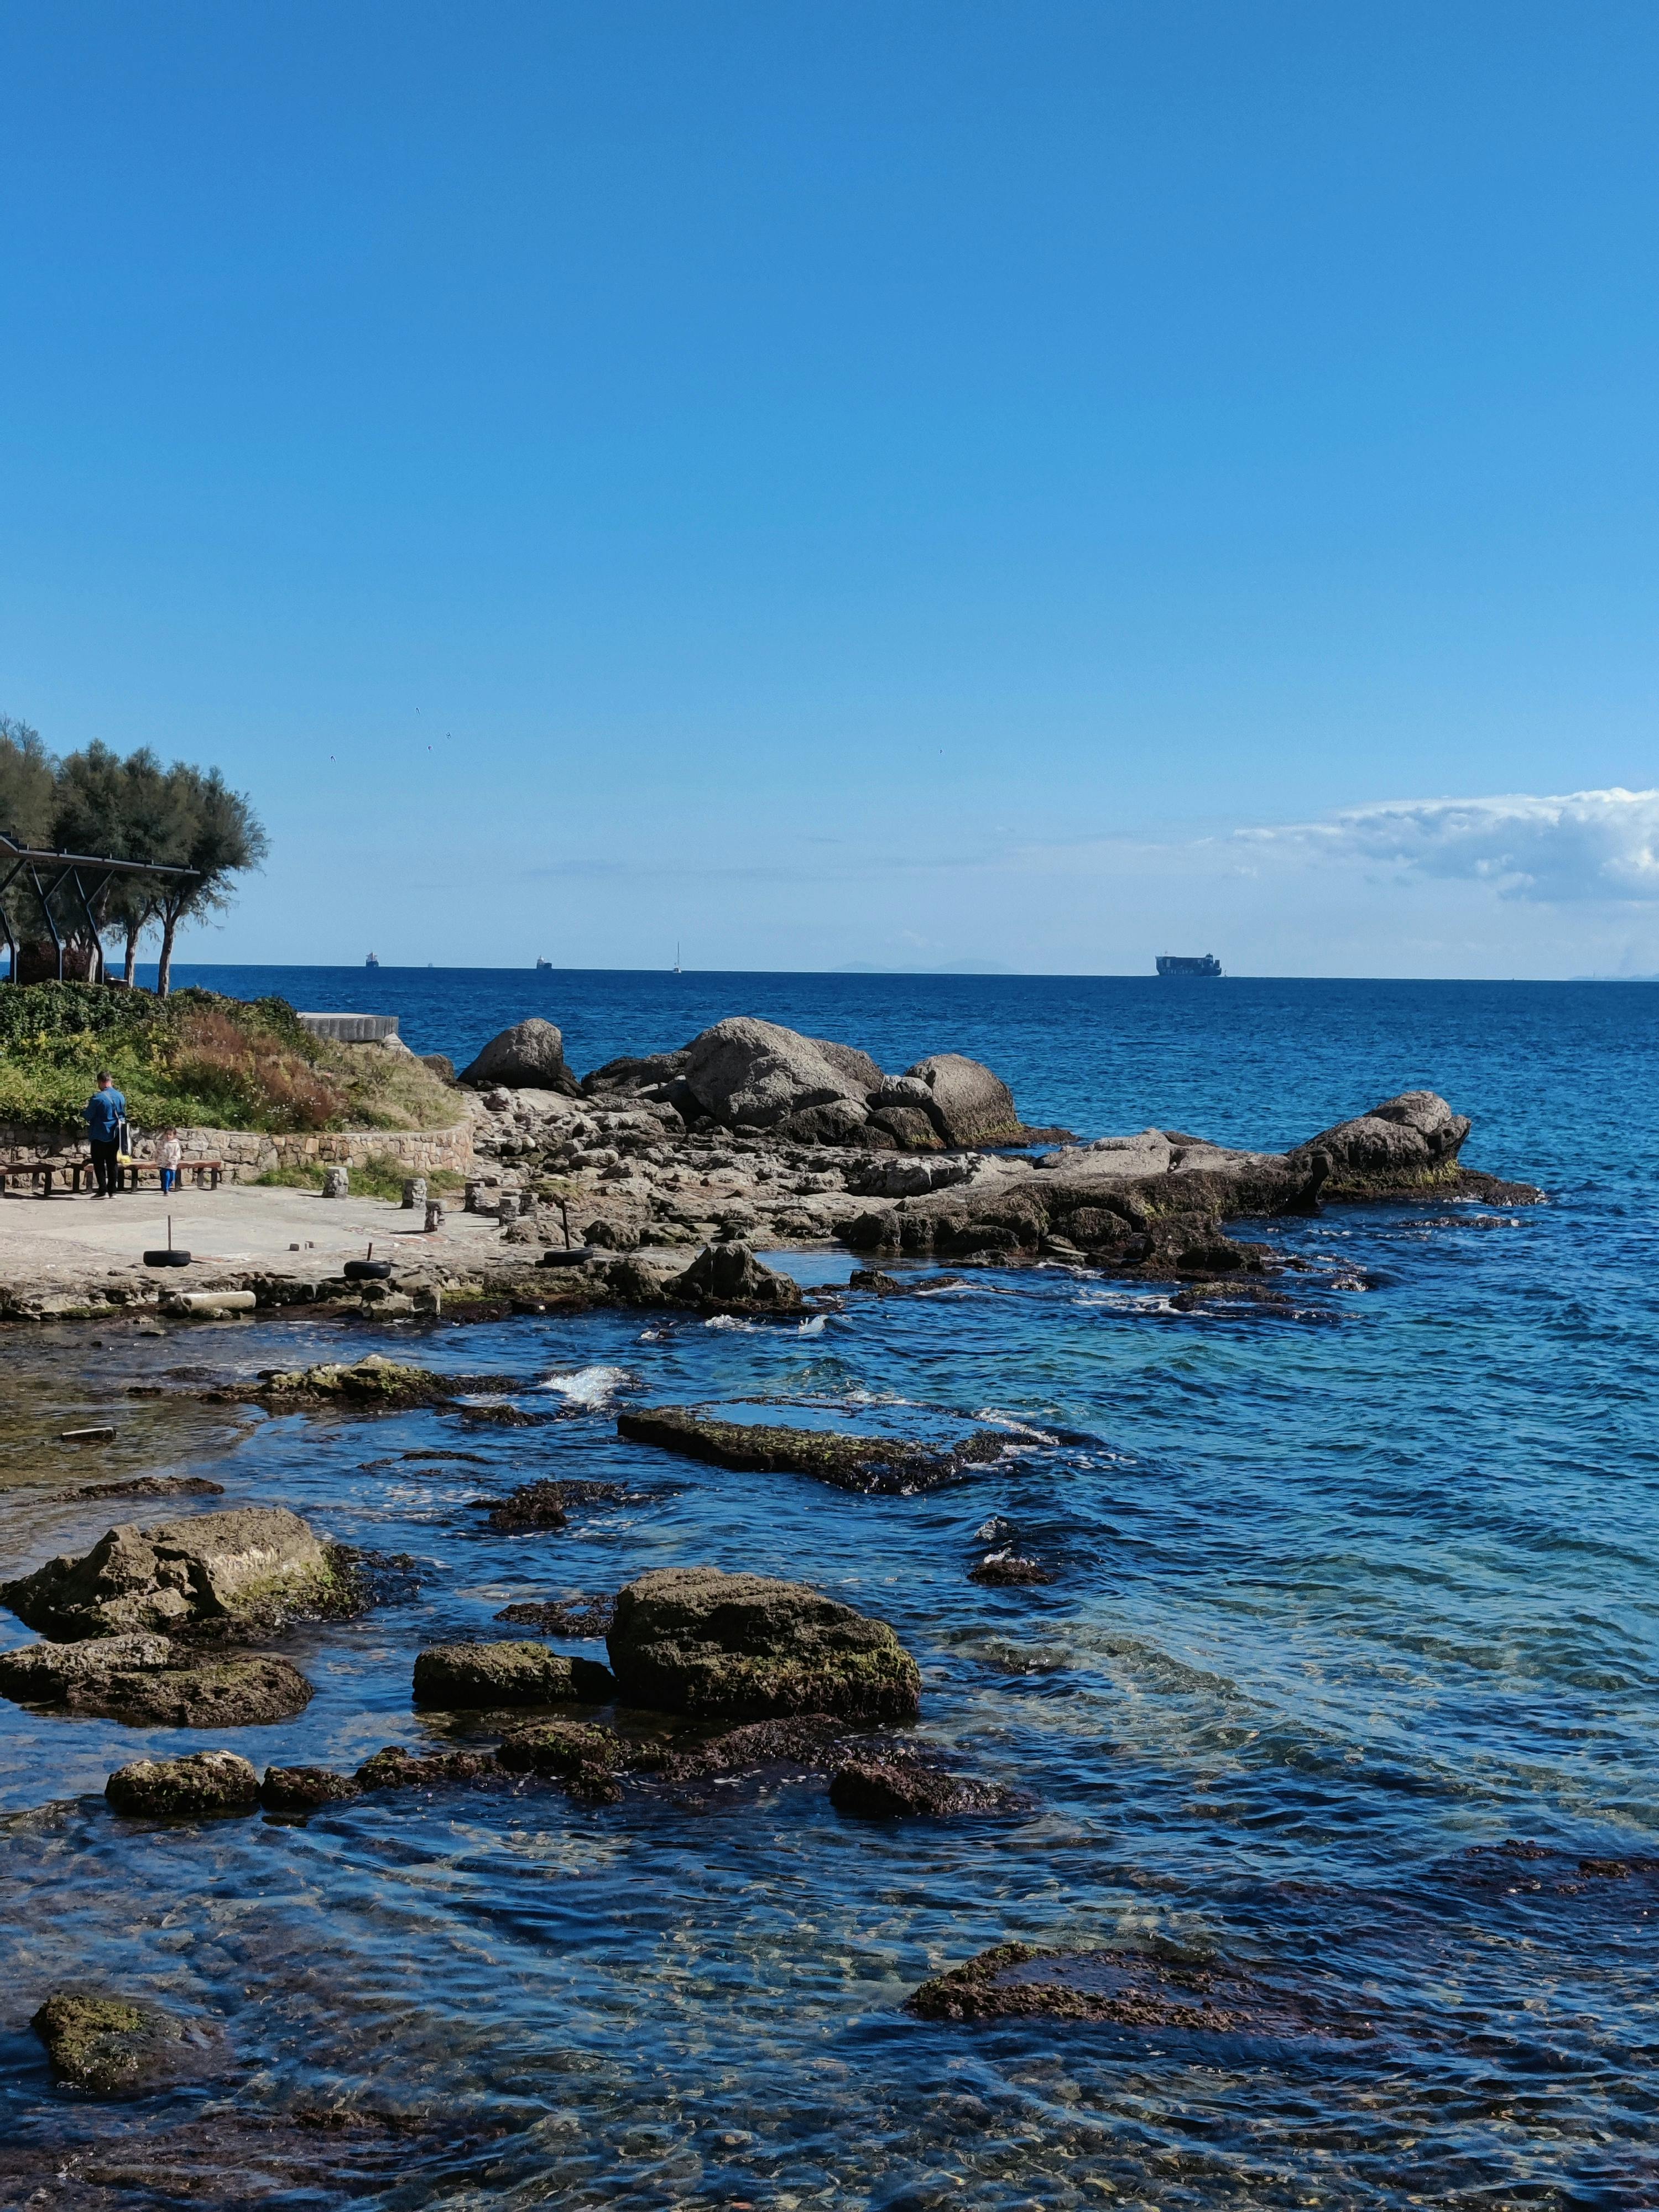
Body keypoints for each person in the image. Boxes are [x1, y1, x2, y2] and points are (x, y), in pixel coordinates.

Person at [83, 1072, 128, 1197]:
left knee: (98, 1162)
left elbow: (89, 1115)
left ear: (101, 1082)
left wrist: (83, 1111)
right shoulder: (120, 1096)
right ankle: (113, 1191)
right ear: (110, 1081)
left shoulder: (98, 1098)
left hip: (99, 1134)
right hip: (115, 1134)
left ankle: (102, 1190)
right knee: (112, 1161)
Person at [157, 1129, 183, 1196]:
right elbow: (158, 1152)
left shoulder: (175, 1144)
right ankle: (166, 1190)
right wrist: (158, 1160)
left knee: (172, 1177)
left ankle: (168, 1186)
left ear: (174, 1135)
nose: (168, 1136)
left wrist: (173, 1161)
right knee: (166, 1175)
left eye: (170, 1135)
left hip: (172, 1163)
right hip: (163, 1163)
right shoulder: (162, 1143)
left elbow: (177, 1154)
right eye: (167, 1134)